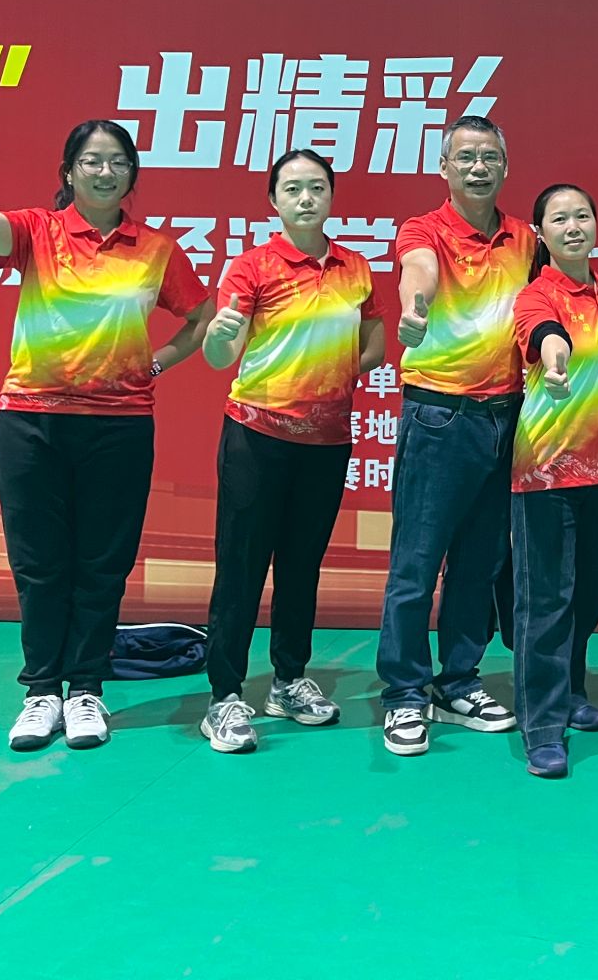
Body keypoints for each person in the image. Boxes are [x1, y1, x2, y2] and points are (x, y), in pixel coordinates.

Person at [0, 102, 210, 751]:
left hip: (118, 427)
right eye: (92, 161)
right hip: (31, 420)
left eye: (118, 162)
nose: (105, 171)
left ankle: (86, 689)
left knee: (101, 564)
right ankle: (41, 691)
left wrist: (155, 362)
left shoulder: (155, 249)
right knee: (39, 564)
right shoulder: (38, 231)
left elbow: (200, 319)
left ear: (132, 174)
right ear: (69, 171)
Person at [195, 149, 386, 753]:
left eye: (317, 187)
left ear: (332, 196)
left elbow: (375, 338)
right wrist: (220, 338)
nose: (307, 198)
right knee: (242, 567)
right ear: (273, 200)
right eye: (293, 188)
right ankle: (225, 695)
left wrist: (335, 371)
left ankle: (289, 680)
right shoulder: (251, 267)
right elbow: (220, 356)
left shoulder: (355, 267)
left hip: (326, 441)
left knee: (302, 566)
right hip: (257, 436)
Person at [376, 116, 533, 756]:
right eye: (465, 156)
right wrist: (415, 308)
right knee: (416, 563)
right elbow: (417, 271)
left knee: (480, 563)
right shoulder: (425, 230)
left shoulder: (525, 238)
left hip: (507, 417)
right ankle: (404, 692)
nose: (478, 167)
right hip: (439, 417)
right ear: (444, 167)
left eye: (489, 156)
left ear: (505, 167)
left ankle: (458, 680)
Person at [508, 185, 598, 778]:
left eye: (582, 215)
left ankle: (568, 690)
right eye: (559, 219)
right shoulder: (536, 295)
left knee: (591, 588)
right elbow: (544, 337)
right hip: (546, 468)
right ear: (542, 232)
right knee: (546, 599)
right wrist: (555, 356)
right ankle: (541, 724)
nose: (573, 226)